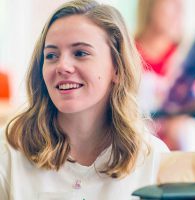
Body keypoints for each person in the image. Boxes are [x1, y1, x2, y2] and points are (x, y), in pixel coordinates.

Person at [0, 0, 168, 199]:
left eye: (80, 53)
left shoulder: (153, 159)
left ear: (116, 68)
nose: (62, 66)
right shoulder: (8, 150)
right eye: (52, 55)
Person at [135, 0, 183, 113]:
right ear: (150, 5)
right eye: (172, 3)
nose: (179, 11)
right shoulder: (125, 51)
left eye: (181, 5)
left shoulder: (182, 58)